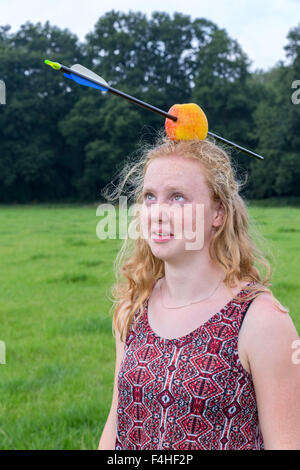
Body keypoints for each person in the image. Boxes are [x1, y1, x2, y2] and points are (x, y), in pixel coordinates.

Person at [97, 131, 300, 450]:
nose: (157, 212)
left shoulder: (261, 320)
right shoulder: (133, 306)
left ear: (217, 213)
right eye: (150, 196)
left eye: (177, 197)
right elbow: (116, 420)